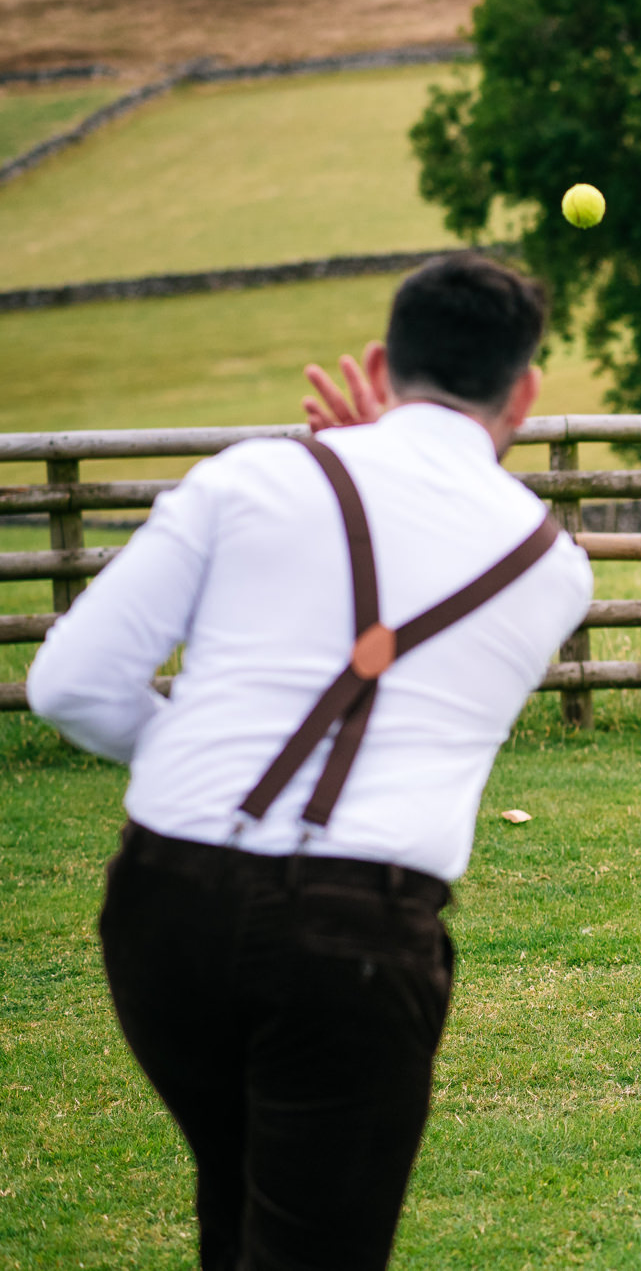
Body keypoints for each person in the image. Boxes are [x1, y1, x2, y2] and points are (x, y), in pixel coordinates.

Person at [27, 253, 595, 1270]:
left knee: (238, 1198)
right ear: (526, 392)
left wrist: (196, 762)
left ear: (382, 362)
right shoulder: (550, 568)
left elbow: (68, 682)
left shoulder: (253, 476)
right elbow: (418, 603)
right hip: (356, 936)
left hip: (163, 906)